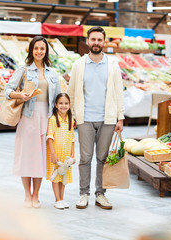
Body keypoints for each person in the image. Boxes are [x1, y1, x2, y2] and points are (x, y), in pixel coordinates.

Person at [67, 26, 124, 210]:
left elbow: (118, 93)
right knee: (85, 158)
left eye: (100, 40)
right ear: (88, 41)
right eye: (93, 39)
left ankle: (101, 194)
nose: (96, 43)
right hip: (85, 118)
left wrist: (120, 118)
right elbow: (72, 93)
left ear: (104, 42)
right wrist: (72, 116)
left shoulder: (113, 65)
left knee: (102, 158)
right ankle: (84, 194)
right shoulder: (78, 65)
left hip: (107, 118)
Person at [4, 36, 61, 208]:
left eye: (42, 48)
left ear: (46, 51)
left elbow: (58, 99)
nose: (39, 51)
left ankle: (36, 195)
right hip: (28, 118)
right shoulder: (24, 70)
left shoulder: (52, 73)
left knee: (41, 158)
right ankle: (27, 195)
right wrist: (19, 95)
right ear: (31, 50)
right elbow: (7, 90)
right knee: (27, 158)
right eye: (36, 48)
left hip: (47, 118)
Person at [46, 93, 75, 209]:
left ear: (69, 105)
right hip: (56, 154)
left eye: (66, 103)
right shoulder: (53, 119)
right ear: (56, 105)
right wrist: (52, 154)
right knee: (56, 176)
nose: (64, 106)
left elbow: (72, 138)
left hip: (66, 155)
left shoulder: (70, 120)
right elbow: (49, 137)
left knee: (64, 177)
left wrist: (73, 154)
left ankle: (62, 199)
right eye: (61, 103)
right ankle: (57, 199)